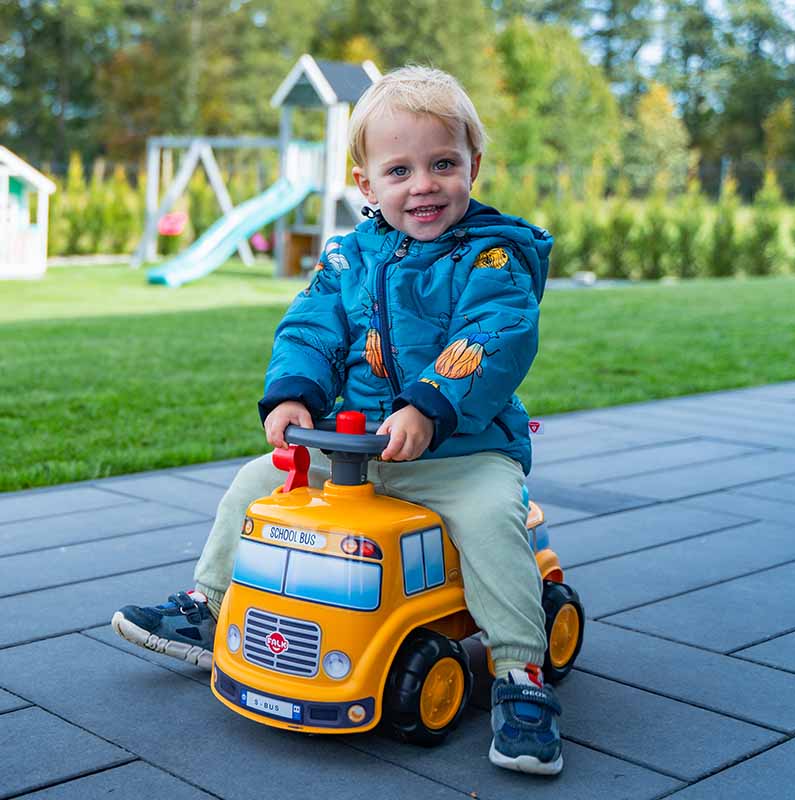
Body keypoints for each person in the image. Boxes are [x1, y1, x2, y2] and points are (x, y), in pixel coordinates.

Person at [113, 65, 563, 775]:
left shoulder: (496, 256)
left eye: (444, 164)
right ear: (366, 184)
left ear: (473, 166)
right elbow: (312, 328)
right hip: (352, 453)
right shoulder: (347, 258)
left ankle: (518, 671)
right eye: (400, 170)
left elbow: (495, 336)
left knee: (490, 519)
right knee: (256, 484)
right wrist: (294, 394)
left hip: (461, 452)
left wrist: (430, 405)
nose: (424, 185)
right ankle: (209, 604)